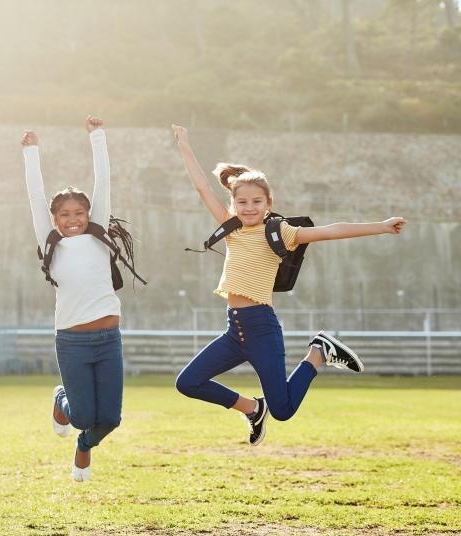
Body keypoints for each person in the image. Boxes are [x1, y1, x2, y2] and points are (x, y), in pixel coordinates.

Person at [171, 124, 407, 445]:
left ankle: (318, 352)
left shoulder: (281, 232)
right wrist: (184, 143)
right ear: (234, 204)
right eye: (242, 202)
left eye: (256, 201)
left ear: (268, 202)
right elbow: (201, 188)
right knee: (188, 382)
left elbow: (330, 230)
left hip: (261, 329)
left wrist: (380, 226)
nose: (249, 207)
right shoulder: (232, 228)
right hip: (234, 330)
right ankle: (253, 409)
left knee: (282, 410)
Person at [22, 116, 136, 482]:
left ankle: (84, 445)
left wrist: (98, 137)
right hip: (71, 341)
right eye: (65, 215)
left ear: (89, 215)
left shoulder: (99, 234)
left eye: (79, 213)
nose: (73, 220)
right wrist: (30, 152)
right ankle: (62, 400)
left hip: (108, 339)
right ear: (54, 220)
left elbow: (104, 182)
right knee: (84, 416)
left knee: (112, 419)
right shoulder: (49, 242)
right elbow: (35, 196)